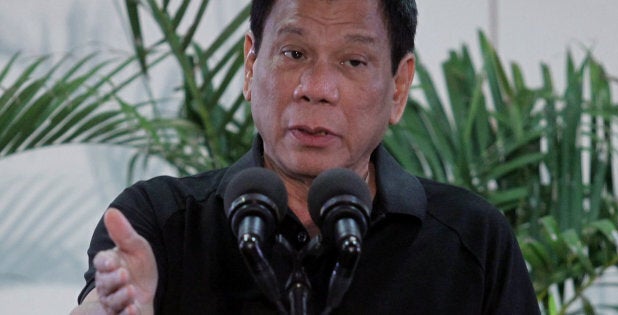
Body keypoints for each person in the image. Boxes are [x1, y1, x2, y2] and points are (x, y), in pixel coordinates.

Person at [72, 0, 540, 314]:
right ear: (252, 66)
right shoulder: (161, 224)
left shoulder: (471, 241)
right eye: (294, 53)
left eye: (352, 62)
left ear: (399, 86)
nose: (315, 89)